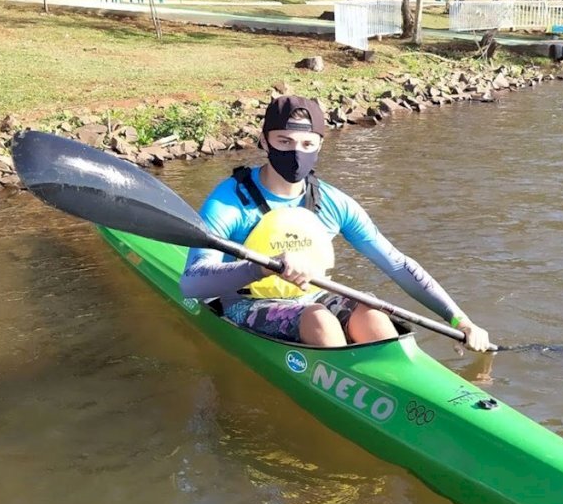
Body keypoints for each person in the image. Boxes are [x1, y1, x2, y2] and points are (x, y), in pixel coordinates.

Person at [179, 95, 490, 351]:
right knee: (319, 319)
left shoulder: (331, 201)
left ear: (320, 145)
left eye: (306, 144)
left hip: (311, 297)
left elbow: (396, 264)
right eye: (284, 141)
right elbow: (191, 283)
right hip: (246, 304)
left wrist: (460, 321)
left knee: (372, 314)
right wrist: (260, 267)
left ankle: (399, 388)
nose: (295, 152)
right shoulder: (230, 201)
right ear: (265, 141)